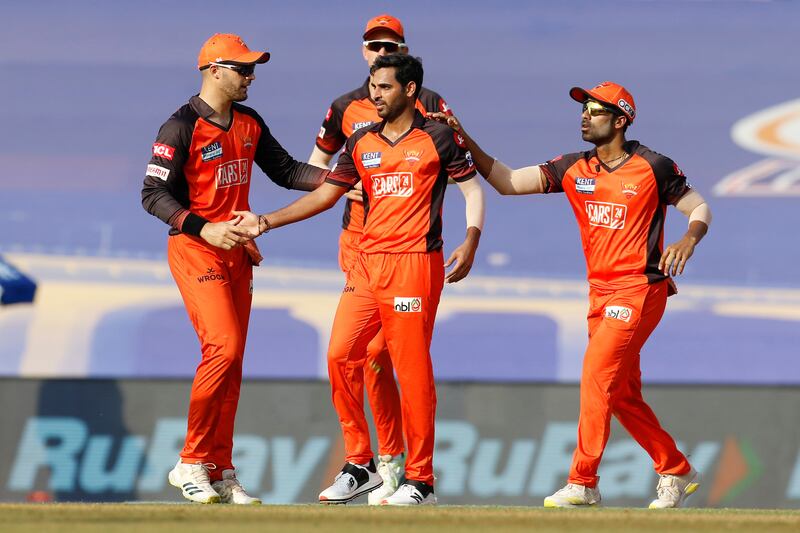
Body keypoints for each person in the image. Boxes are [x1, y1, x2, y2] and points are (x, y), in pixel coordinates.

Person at [430, 81, 712, 509]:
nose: (585, 116)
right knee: (620, 394)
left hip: (640, 288)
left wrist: (689, 239)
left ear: (620, 121)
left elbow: (700, 206)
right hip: (599, 294)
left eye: (596, 111)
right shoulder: (573, 167)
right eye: (584, 109)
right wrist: (461, 134)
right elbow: (507, 181)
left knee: (597, 375)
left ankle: (583, 481)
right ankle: (675, 467)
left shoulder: (653, 165)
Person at [234, 53, 484, 506]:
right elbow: (326, 195)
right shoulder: (361, 142)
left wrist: (471, 238)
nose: (375, 94)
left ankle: (421, 479)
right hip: (367, 265)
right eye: (372, 86)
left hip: (414, 264)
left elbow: (473, 189)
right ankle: (361, 463)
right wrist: (265, 221)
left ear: (409, 90)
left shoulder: (438, 138)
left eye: (385, 87)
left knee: (410, 371)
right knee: (341, 355)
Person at [141, 33, 328, 504]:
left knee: (232, 365)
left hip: (237, 255)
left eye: (251, 68)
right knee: (221, 348)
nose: (251, 76)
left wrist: (346, 180)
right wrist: (204, 229)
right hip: (196, 250)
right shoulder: (179, 127)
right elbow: (152, 195)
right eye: (242, 68)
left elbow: (286, 171)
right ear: (213, 70)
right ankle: (190, 461)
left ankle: (219, 469)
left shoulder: (248, 121)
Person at [307, 14, 455, 504]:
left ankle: (405, 471)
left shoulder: (427, 105)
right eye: (372, 44)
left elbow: (452, 162)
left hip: (411, 247)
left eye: (387, 44)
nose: (378, 50)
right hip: (359, 243)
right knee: (356, 356)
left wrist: (469, 227)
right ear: (362, 50)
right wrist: (340, 189)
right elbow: (318, 166)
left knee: (390, 358)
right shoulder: (344, 108)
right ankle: (374, 462)